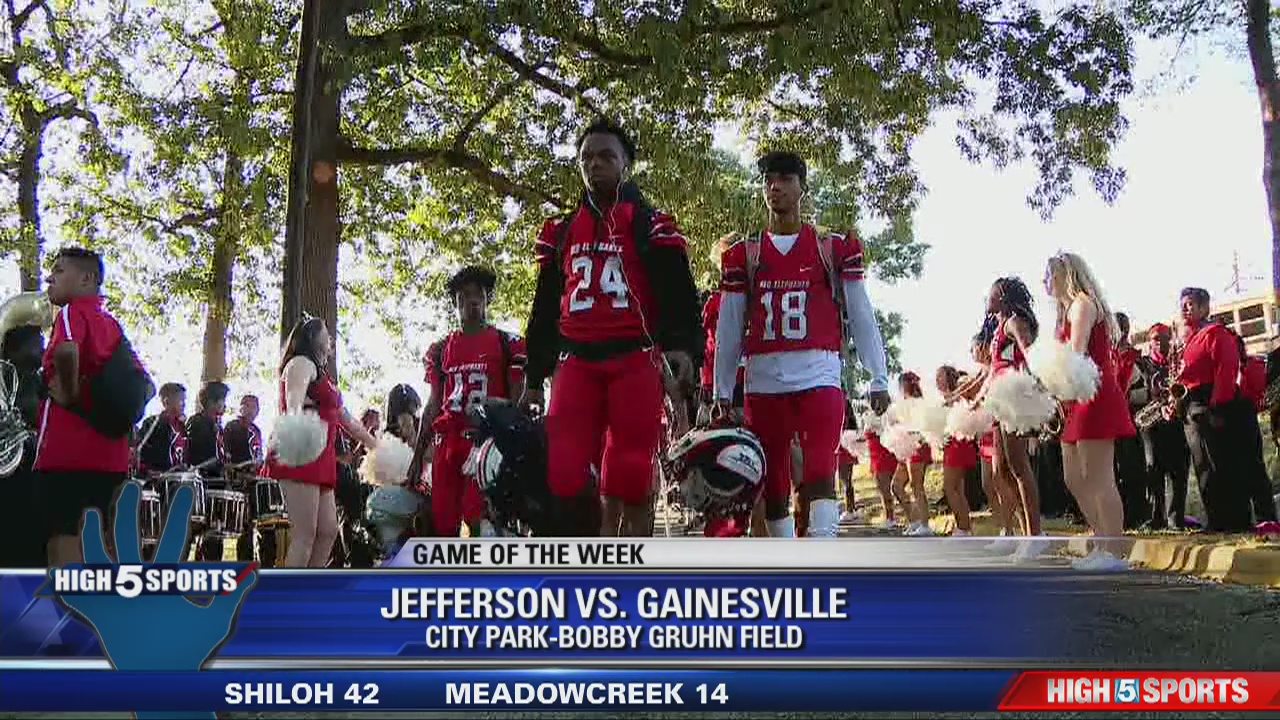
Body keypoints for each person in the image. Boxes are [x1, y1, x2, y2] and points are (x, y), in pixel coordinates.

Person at [521, 118, 703, 537]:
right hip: (576, 362)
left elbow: (679, 293)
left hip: (633, 358)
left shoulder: (651, 224)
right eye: (587, 157)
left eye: (606, 156)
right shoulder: (562, 230)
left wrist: (683, 348)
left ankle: (633, 569)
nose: (595, 165)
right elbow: (545, 305)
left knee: (630, 471)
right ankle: (587, 565)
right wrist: (534, 375)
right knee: (565, 474)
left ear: (626, 164)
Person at [712, 150, 890, 538]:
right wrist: (722, 389)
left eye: (785, 178)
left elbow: (861, 312)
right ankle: (786, 563)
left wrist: (879, 375)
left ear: (802, 188)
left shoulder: (832, 247)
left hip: (819, 371)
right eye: (769, 180)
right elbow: (729, 326)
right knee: (774, 482)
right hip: (764, 379)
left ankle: (821, 554)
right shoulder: (746, 253)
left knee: (820, 469)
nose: (775, 186)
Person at [33, 247, 136, 567]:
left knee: (62, 540)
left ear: (87, 279)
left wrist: (69, 391)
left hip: (67, 455)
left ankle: (65, 613)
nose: (50, 277)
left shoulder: (70, 313)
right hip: (111, 458)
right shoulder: (113, 326)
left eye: (59, 270)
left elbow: (66, 351)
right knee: (99, 542)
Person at [413, 266, 527, 537]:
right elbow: (432, 405)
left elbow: (517, 399)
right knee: (442, 526)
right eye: (464, 296)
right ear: (456, 303)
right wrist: (417, 456)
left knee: (482, 520)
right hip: (447, 444)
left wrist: (514, 446)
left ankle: (484, 577)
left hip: (487, 442)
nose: (472, 301)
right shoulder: (441, 349)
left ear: (488, 300)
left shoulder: (506, 343)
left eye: (479, 294)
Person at [263, 315, 377, 567]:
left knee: (327, 532)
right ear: (313, 337)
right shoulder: (301, 363)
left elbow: (348, 422)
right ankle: (291, 601)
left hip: (321, 459)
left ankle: (310, 590)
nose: (331, 337)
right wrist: (297, 415)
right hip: (300, 454)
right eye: (326, 332)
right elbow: (292, 403)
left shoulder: (325, 377)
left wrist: (378, 448)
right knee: (306, 534)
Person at [1045, 253, 1132, 571]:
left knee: (1099, 478)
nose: (1046, 283)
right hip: (1075, 399)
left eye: (1049, 276)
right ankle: (1101, 541)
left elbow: (1077, 351)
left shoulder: (1082, 304)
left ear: (1063, 275)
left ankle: (1114, 551)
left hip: (1093, 393)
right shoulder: (1066, 311)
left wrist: (1049, 374)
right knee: (1074, 478)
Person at [1168, 288, 1254, 532]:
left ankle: (1234, 521)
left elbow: (1226, 368)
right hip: (1190, 405)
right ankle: (1216, 519)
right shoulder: (1188, 339)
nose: (1185, 308)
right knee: (1203, 467)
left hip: (1210, 404)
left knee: (1221, 465)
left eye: (1191, 304)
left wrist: (1218, 406)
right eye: (1182, 304)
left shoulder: (1214, 333)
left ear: (1205, 308)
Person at [972, 278, 1043, 561]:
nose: (987, 297)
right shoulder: (998, 327)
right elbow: (992, 371)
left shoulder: (1014, 322)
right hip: (998, 399)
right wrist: (977, 401)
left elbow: (1029, 355)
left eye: (991, 292)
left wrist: (1038, 387)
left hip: (1014, 396)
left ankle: (1034, 535)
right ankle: (1025, 532)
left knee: (1018, 466)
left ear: (1001, 296)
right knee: (1001, 470)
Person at [0, 302, 51, 567]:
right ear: (15, 347)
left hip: (31, 470)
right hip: (13, 474)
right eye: (37, 344)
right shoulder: (13, 377)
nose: (43, 350)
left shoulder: (39, 380)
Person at [1140, 323, 1192, 528]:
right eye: (1155, 338)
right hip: (1152, 426)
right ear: (1149, 341)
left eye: (1164, 337)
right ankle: (1156, 518)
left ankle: (1176, 519)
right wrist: (1160, 408)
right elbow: (1137, 394)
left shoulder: (1178, 362)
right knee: (1154, 473)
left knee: (1179, 473)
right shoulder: (1143, 365)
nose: (1160, 341)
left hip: (1177, 423)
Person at [1232, 334, 1278, 524]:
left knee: (1255, 471)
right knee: (1236, 475)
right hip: (1229, 423)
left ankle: (1266, 518)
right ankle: (1243, 520)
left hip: (1246, 419)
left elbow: (1259, 396)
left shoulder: (1255, 365)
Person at [1112, 312, 1149, 529]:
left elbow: (1146, 393)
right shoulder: (1107, 357)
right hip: (1111, 423)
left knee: (1132, 470)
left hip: (1131, 423)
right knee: (1113, 472)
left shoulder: (1135, 359)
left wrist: (1127, 397)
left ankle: (1137, 515)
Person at [892, 372, 934, 536]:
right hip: (905, 447)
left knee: (917, 485)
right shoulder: (903, 403)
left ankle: (925, 525)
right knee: (896, 486)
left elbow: (921, 426)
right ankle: (914, 520)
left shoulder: (918, 403)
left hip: (917, 446)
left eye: (901, 385)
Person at [936, 365, 975, 535]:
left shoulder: (957, 396)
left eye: (940, 376)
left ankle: (963, 528)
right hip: (949, 445)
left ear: (949, 378)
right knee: (957, 489)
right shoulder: (943, 398)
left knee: (950, 487)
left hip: (957, 444)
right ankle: (965, 527)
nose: (937, 380)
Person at [135, 382, 188, 474]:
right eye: (181, 400)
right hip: (158, 478)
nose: (184, 404)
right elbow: (140, 450)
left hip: (177, 476)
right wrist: (147, 470)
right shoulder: (153, 423)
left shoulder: (181, 426)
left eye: (184, 400)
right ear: (166, 402)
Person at [185, 381, 229, 478]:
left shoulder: (218, 426)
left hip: (217, 479)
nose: (225, 405)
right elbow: (198, 458)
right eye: (223, 400)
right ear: (211, 402)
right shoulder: (197, 423)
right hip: (204, 480)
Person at [222, 394, 263, 466]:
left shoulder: (256, 431)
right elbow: (225, 449)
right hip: (234, 469)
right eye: (247, 406)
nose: (250, 410)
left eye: (254, 407)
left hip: (252, 470)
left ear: (258, 411)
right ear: (241, 408)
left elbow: (258, 451)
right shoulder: (231, 426)